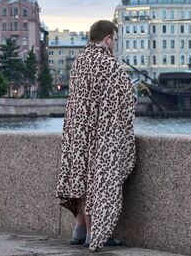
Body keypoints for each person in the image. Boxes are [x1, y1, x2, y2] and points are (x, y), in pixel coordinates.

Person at [56, 20, 137, 252]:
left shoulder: (80, 60)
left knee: (80, 178)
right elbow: (125, 97)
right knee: (97, 180)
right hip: (98, 133)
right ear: (108, 39)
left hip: (77, 132)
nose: (114, 44)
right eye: (115, 40)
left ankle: (79, 229)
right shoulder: (107, 63)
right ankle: (95, 234)